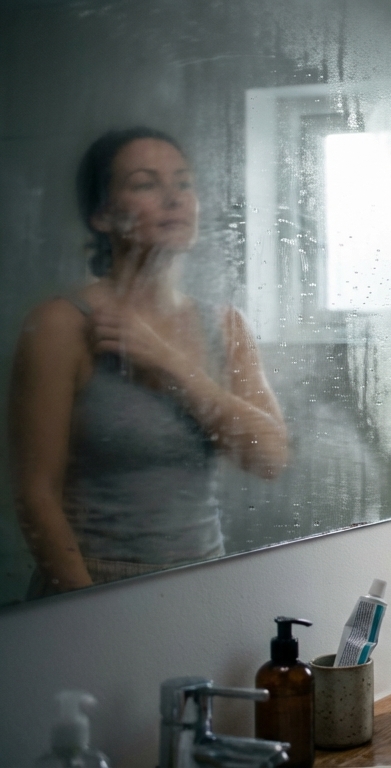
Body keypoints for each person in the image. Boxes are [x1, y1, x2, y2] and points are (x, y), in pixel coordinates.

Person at [9, 127, 288, 597]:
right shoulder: (63, 325)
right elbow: (36, 497)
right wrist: (89, 607)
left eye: (183, 183)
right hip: (92, 584)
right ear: (101, 214)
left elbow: (271, 457)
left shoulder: (226, 326)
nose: (174, 198)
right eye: (145, 184)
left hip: (205, 579)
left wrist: (172, 367)